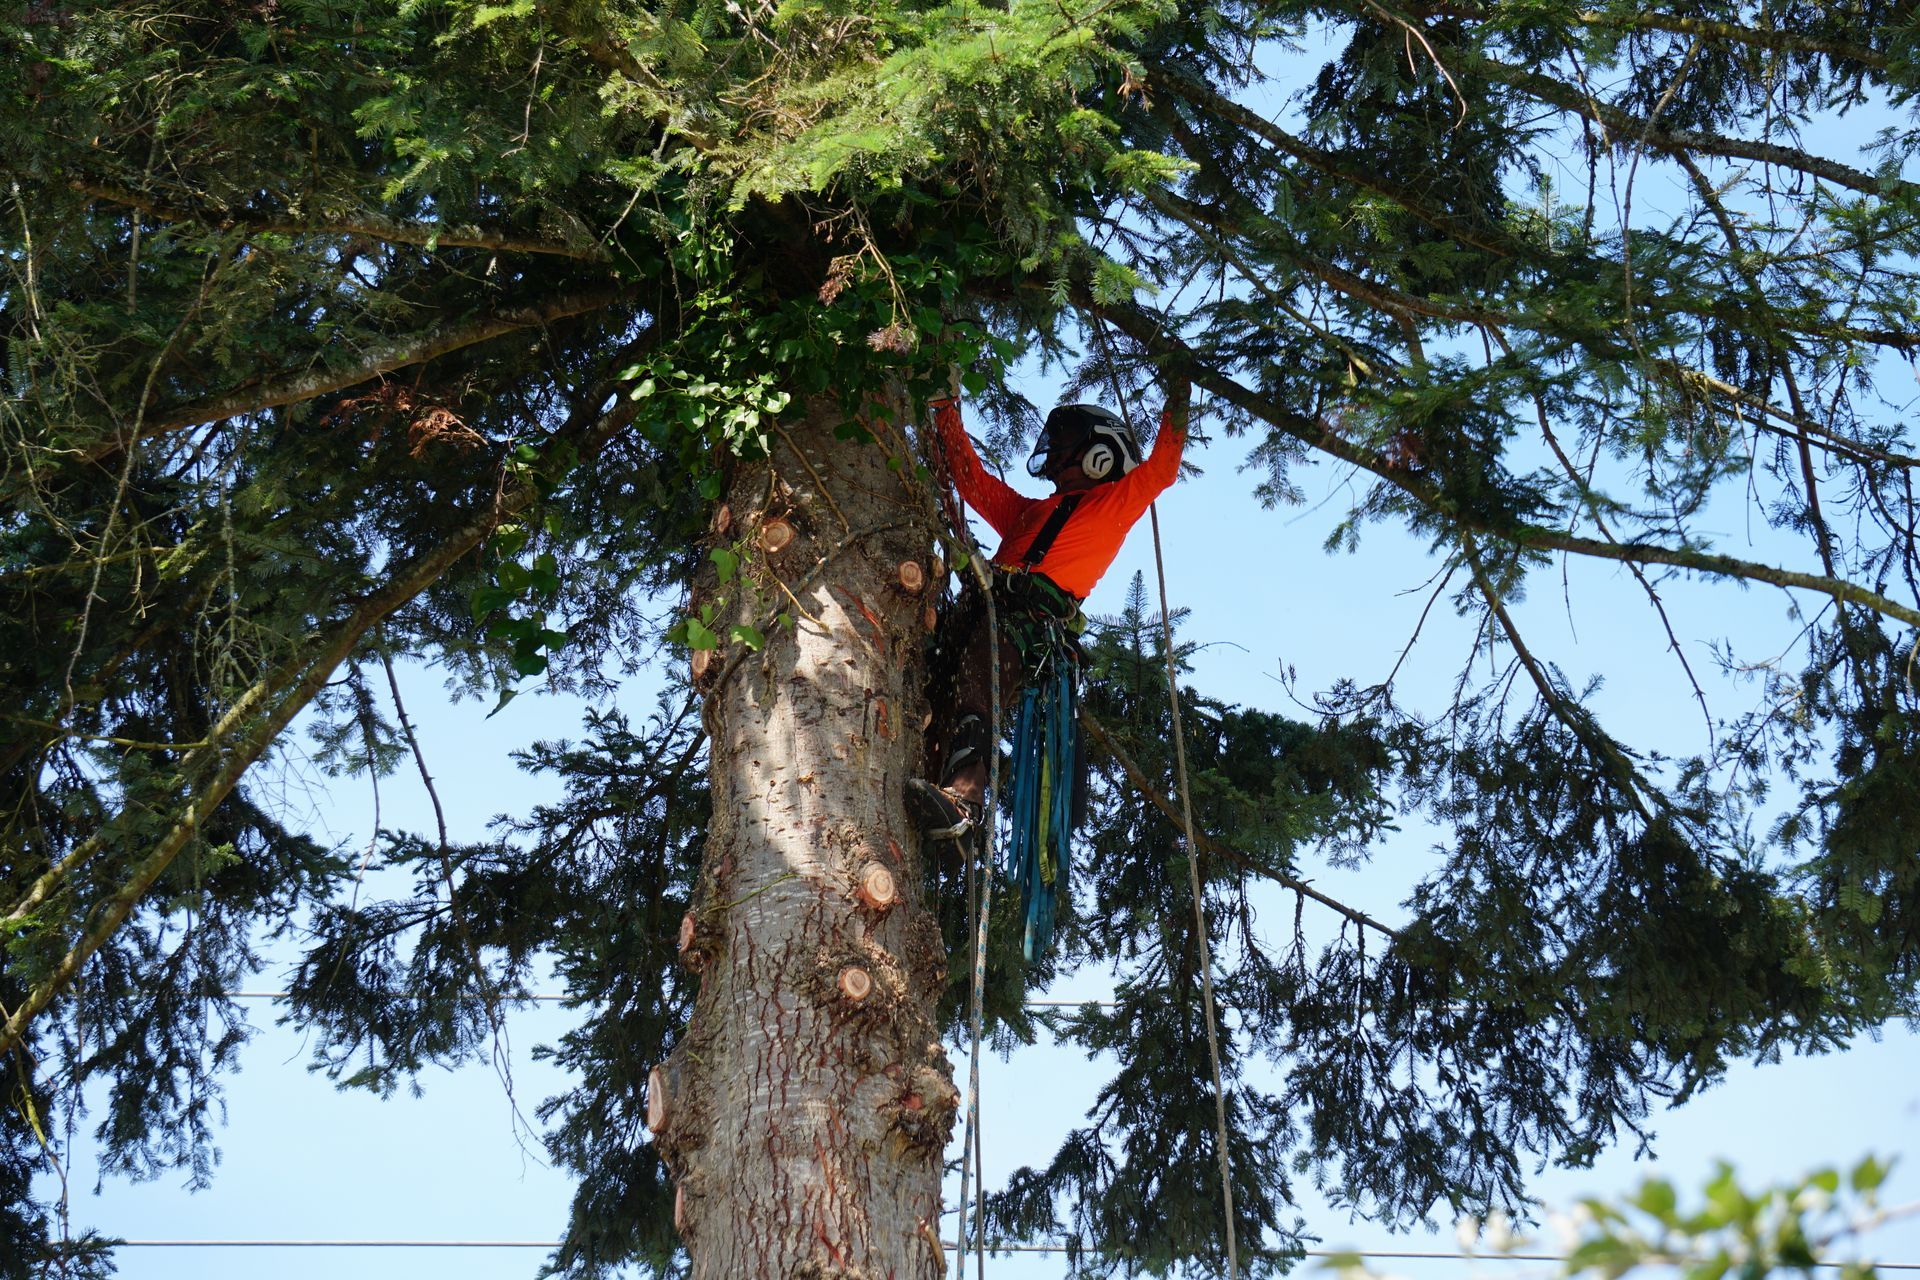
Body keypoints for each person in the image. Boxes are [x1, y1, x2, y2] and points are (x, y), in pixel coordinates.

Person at [912, 381, 1190, 841]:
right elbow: (971, 481)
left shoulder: (1113, 504)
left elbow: (1161, 468)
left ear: (1100, 454)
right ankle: (934, 799)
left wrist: (1179, 393)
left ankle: (965, 798)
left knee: (980, 681)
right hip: (983, 608)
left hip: (1027, 622)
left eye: (1066, 443)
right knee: (938, 688)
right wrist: (945, 410)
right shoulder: (1030, 512)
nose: (1057, 452)